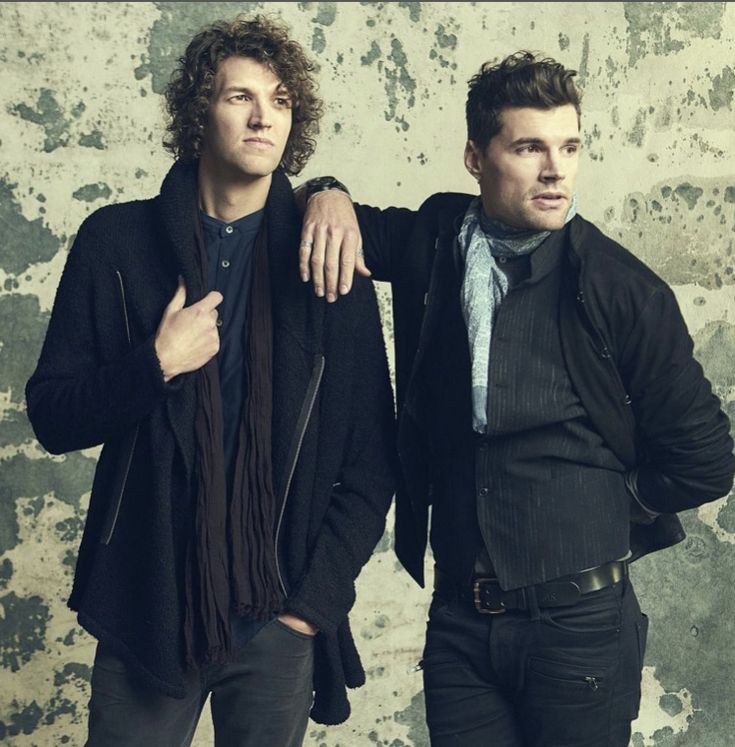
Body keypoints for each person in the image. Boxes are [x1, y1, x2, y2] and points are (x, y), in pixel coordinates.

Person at [300, 51, 735, 746]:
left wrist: (593, 506)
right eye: (528, 146)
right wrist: (324, 189)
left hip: (578, 631)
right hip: (458, 626)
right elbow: (340, 222)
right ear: (476, 157)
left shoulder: (623, 289)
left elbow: (705, 460)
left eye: (568, 146)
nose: (554, 169)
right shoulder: (437, 236)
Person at [25, 15, 396, 747]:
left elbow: (372, 458)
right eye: (240, 97)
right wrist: (154, 364)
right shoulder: (116, 243)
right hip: (148, 605)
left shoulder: (326, 261)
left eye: (281, 100)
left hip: (276, 614)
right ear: (200, 113)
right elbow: (53, 416)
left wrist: (309, 606)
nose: (264, 116)